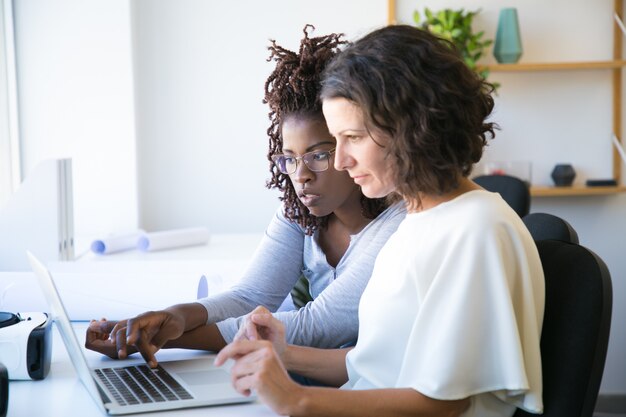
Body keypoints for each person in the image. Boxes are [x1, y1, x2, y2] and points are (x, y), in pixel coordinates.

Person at [215, 24, 545, 417]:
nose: (340, 161)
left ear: (410, 127)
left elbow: (442, 402)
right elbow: (372, 366)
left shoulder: (476, 231)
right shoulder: (417, 220)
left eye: (352, 137)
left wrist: (294, 399)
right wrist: (280, 352)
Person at [85, 25, 406, 369]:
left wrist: (162, 337)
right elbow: (250, 297)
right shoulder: (300, 212)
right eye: (290, 158)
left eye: (318, 154)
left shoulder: (401, 221)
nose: (302, 175)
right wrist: (174, 315)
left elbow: (319, 325)